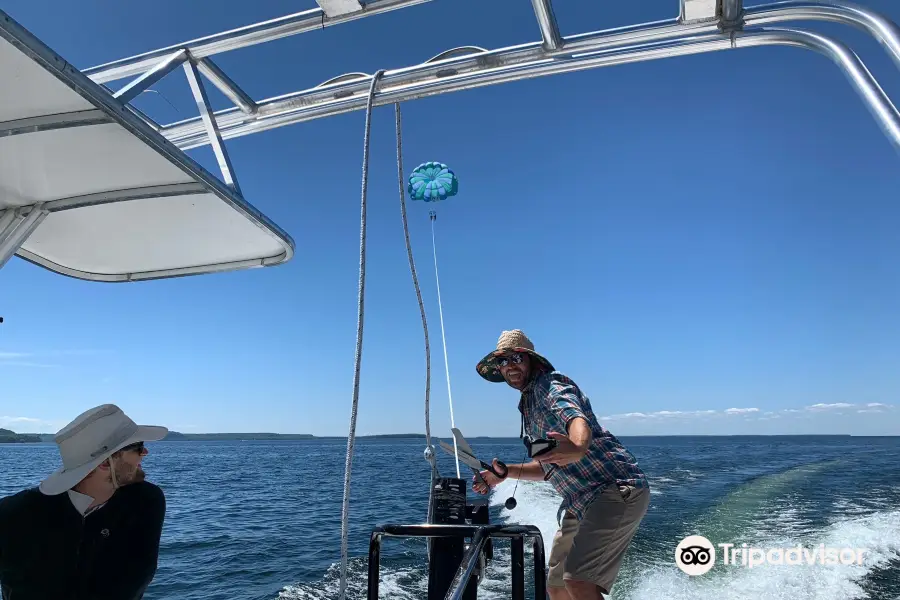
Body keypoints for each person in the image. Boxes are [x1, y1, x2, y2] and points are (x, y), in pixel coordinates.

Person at [473, 330, 650, 600]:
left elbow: (574, 417)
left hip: (614, 489)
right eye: (503, 362)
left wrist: (578, 446)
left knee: (578, 581)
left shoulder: (550, 385)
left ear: (531, 360)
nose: (510, 366)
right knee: (557, 587)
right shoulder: (527, 406)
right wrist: (505, 473)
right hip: (577, 502)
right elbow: (548, 468)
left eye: (516, 358)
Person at [0, 403, 169, 600]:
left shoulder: (146, 501)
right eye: (138, 447)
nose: (145, 453)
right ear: (106, 463)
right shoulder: (13, 514)